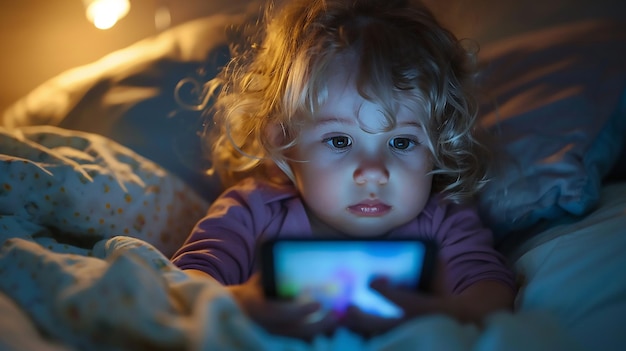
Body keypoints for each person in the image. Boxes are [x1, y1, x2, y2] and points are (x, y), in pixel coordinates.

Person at [171, 0, 516, 340]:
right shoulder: (250, 212)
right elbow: (182, 286)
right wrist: (242, 303)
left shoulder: (443, 221)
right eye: (339, 141)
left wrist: (446, 313)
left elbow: (491, 293)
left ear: (439, 145)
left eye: (401, 142)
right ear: (284, 142)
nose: (373, 172)